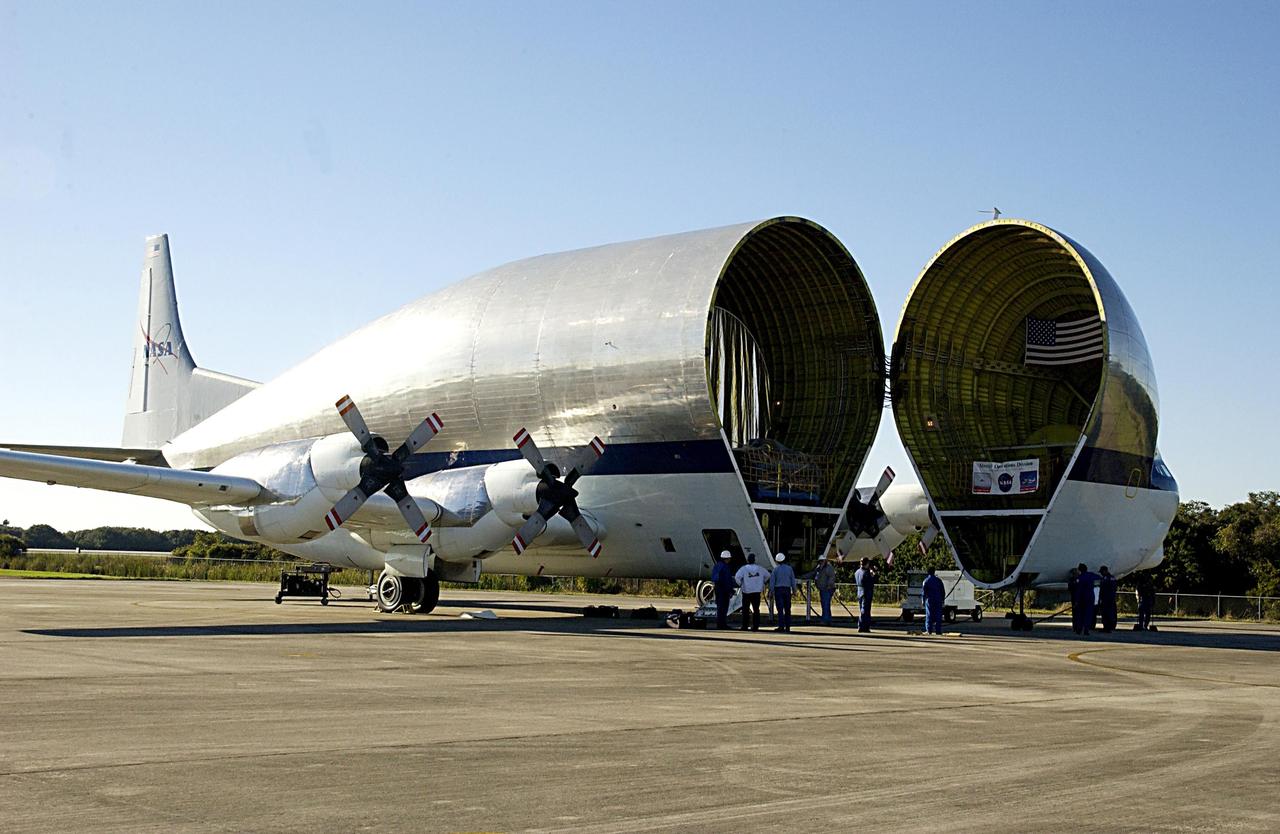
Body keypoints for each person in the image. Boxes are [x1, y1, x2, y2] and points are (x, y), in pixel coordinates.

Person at [734, 554, 770, 632]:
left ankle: (745, 626)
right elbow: (768, 575)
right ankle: (755, 626)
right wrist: (763, 582)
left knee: (745, 609)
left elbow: (737, 577)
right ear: (754, 560)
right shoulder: (760, 569)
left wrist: (740, 584)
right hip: (757, 592)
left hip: (746, 591)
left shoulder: (743, 569)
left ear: (747, 560)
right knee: (756, 609)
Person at [769, 553, 797, 632]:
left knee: (780, 609)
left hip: (778, 590)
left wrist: (771, 591)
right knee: (787, 609)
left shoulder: (775, 569)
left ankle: (781, 626)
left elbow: (772, 582)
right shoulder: (789, 569)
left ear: (777, 561)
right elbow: (792, 580)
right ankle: (788, 627)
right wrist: (794, 590)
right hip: (787, 590)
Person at [710, 550, 736, 629]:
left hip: (719, 589)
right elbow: (727, 580)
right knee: (723, 608)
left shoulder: (717, 566)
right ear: (727, 558)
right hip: (723, 590)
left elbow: (714, 578)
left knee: (720, 608)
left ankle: (720, 623)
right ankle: (722, 624)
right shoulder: (725, 567)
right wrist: (730, 590)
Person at [1074, 563, 1100, 635]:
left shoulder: (1080, 577)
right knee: (1088, 614)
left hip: (1082, 597)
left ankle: (1079, 629)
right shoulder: (1091, 575)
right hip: (1090, 596)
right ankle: (1086, 630)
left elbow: (1078, 590)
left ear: (1079, 570)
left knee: (1080, 614)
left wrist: (1076, 600)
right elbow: (1099, 578)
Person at [814, 551, 838, 625]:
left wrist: (828, 585)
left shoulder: (828, 568)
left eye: (822, 561)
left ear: (825, 561)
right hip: (822, 589)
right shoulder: (819, 568)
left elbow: (832, 577)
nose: (821, 562)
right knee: (825, 604)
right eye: (820, 561)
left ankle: (825, 620)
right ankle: (828, 620)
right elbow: (814, 574)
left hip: (827, 589)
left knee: (825, 604)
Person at [854, 558, 877, 633]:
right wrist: (873, 575)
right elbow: (870, 582)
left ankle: (864, 626)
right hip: (866, 592)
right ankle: (862, 626)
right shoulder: (866, 573)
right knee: (865, 610)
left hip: (859, 592)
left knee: (862, 608)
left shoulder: (857, 572)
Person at [922, 566, 945, 635]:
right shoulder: (938, 580)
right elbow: (942, 591)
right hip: (938, 600)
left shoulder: (926, 581)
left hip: (929, 600)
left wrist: (923, 600)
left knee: (929, 615)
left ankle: (929, 630)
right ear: (934, 572)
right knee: (938, 615)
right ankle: (938, 630)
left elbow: (924, 592)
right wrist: (942, 599)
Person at [1098, 566, 1119, 633]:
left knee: (1106, 613)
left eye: (1101, 572)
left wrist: (1101, 598)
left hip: (1106, 599)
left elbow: (1103, 590)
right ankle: (1111, 626)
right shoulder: (1113, 578)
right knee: (1111, 613)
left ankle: (1107, 627)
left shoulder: (1105, 579)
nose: (1101, 573)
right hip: (1111, 598)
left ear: (1104, 571)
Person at [1067, 567, 1081, 634]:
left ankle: (1077, 627)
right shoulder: (1073, 580)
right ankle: (1076, 627)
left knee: (1077, 614)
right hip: (1076, 597)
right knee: (1076, 614)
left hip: (1077, 597)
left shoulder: (1073, 580)